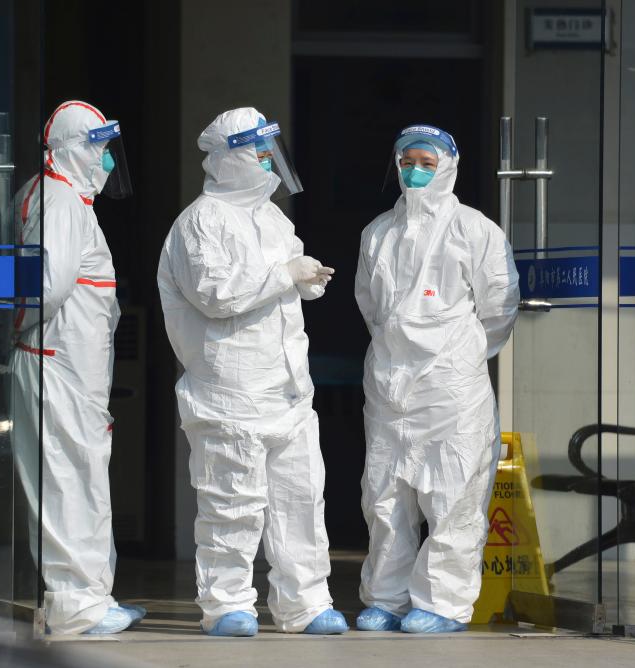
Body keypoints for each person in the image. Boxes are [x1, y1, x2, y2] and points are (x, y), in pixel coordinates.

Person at [158, 107, 347, 637]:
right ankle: (227, 605)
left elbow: (280, 278)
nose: (269, 162)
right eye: (259, 152)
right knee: (231, 503)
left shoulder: (271, 217)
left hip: (287, 390)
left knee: (301, 503)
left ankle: (306, 605)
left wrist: (305, 279)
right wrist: (284, 274)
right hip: (229, 392)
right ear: (230, 157)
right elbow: (218, 295)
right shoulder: (201, 221)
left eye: (272, 151)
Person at [355, 124, 520, 633]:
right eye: (407, 161)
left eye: (427, 161)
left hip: (451, 385)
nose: (416, 171)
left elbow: (499, 306)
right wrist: (397, 348)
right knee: (384, 495)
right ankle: (386, 597)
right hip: (389, 382)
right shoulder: (378, 231)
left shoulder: (476, 230)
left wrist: (461, 350)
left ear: (449, 165)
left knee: (452, 495)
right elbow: (371, 305)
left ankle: (442, 604)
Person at [11, 100, 143, 634]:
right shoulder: (61, 200)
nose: (108, 159)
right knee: (64, 484)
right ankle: (75, 606)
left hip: (72, 370)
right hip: (56, 365)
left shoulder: (63, 198)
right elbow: (47, 289)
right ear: (71, 148)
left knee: (82, 480)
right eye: (100, 147)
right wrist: (23, 337)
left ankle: (91, 597)